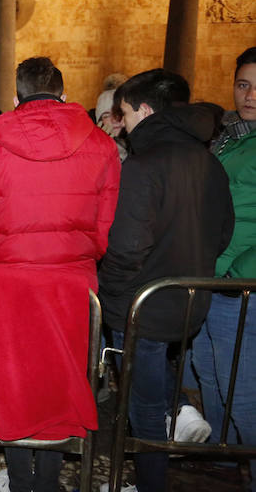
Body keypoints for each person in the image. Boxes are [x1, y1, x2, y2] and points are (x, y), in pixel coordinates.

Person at [0, 57, 120, 492]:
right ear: (64, 96)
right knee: (60, 381)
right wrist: (82, 256)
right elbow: (106, 222)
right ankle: (46, 481)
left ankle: (22, 480)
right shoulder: (101, 144)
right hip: (71, 280)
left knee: (15, 381)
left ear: (15, 98)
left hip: (9, 281)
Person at [99, 69, 234, 492]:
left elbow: (126, 247)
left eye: (123, 113)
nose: (121, 123)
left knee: (142, 406)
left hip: (142, 306)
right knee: (153, 390)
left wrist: (114, 297)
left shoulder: (145, 165)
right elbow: (223, 231)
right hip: (189, 299)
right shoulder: (208, 160)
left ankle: (150, 483)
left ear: (143, 108)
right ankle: (180, 412)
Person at [192, 47, 256, 492]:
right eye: (243, 84)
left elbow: (247, 217)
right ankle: (224, 454)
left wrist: (217, 269)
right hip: (215, 277)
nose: (250, 95)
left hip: (237, 282)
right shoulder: (233, 135)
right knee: (210, 369)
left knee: (244, 385)